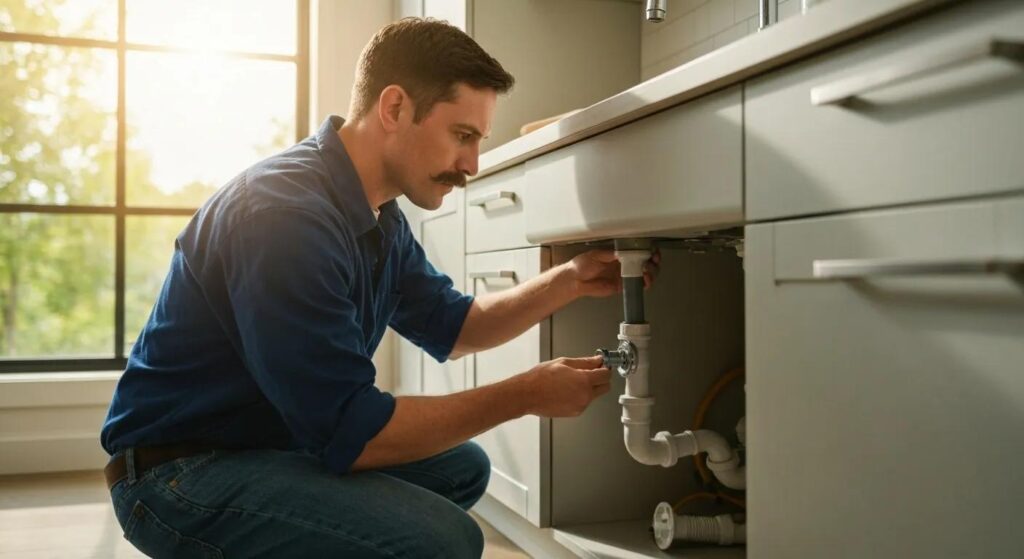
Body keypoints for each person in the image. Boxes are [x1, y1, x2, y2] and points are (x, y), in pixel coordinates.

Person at [101, 17, 657, 558]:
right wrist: (524, 394)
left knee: (462, 470)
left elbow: (458, 326)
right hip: (177, 474)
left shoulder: (379, 216)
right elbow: (356, 431)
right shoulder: (283, 216)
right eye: (462, 136)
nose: (473, 164)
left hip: (268, 443)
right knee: (446, 540)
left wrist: (569, 280)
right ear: (395, 108)